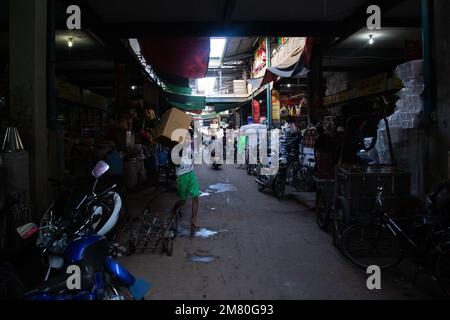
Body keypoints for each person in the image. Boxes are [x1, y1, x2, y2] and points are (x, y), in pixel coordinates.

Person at [172, 130, 201, 235]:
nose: (189, 139)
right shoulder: (176, 149)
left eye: (190, 137)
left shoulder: (191, 148)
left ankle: (193, 220)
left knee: (195, 197)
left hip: (191, 174)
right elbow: (174, 162)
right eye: (187, 138)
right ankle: (174, 208)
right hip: (181, 177)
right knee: (182, 201)